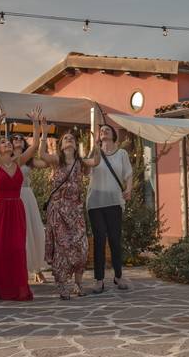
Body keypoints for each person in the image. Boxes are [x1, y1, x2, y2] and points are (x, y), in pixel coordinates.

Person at [0, 105, 42, 301]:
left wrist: (35, 125)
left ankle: (14, 288)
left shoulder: (18, 162)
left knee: (15, 249)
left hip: (16, 209)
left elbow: (34, 146)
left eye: (8, 142)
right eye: (3, 142)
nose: (7, 144)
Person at [39, 123, 100, 299]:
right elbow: (42, 154)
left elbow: (96, 161)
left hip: (75, 210)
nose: (70, 140)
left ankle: (78, 284)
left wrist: (96, 145)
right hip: (58, 210)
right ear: (61, 145)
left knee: (81, 246)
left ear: (75, 144)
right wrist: (43, 133)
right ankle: (62, 285)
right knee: (62, 249)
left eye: (72, 138)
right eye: (66, 138)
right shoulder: (56, 161)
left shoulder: (80, 163)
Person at [87, 123, 133, 294]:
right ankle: (99, 280)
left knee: (114, 239)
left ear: (114, 135)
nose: (104, 131)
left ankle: (118, 276)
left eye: (107, 129)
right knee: (99, 240)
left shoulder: (122, 154)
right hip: (95, 202)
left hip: (114, 201)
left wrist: (128, 190)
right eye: (101, 130)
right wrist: (93, 148)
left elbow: (128, 174)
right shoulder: (95, 151)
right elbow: (85, 171)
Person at [11, 132, 47, 284]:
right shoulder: (8, 160)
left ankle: (37, 269)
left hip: (27, 195)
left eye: (20, 138)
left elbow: (45, 163)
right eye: (15, 138)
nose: (18, 140)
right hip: (13, 196)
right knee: (17, 233)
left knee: (32, 231)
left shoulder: (29, 161)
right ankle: (19, 270)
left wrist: (43, 135)